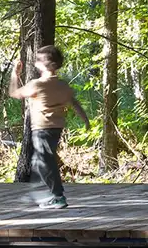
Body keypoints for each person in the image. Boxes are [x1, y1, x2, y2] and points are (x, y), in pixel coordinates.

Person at [8, 44, 89, 209]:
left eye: (39, 60)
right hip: (56, 128)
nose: (35, 62)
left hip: (41, 129)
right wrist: (85, 119)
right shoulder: (62, 85)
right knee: (41, 160)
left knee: (43, 161)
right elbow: (74, 102)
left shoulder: (37, 84)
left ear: (50, 65)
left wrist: (15, 75)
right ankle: (49, 194)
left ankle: (57, 196)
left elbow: (14, 93)